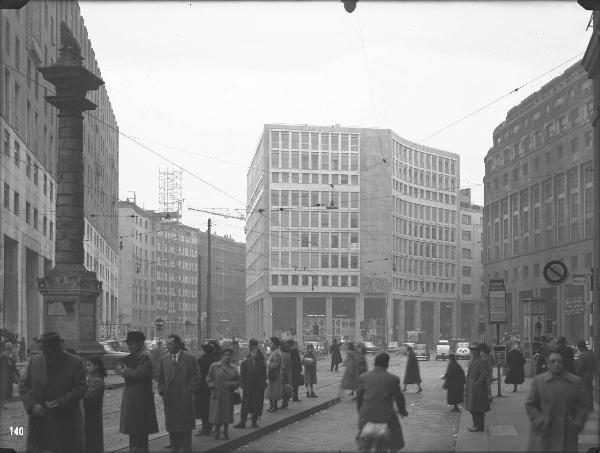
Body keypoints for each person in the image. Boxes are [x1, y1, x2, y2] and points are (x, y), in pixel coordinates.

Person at [18, 332, 87, 453]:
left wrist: (62, 402)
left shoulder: (75, 362)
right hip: (39, 421)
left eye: (52, 352)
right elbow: (23, 385)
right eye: (46, 352)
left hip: (64, 420)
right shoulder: (35, 360)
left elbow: (81, 388)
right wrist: (32, 405)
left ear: (59, 349)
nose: (48, 356)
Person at [525, 348, 590, 452]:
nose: (556, 364)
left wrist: (578, 421)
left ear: (564, 363)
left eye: (559, 361)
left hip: (568, 434)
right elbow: (530, 405)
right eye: (553, 361)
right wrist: (539, 421)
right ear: (548, 364)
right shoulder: (539, 381)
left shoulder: (575, 382)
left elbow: (584, 405)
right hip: (544, 433)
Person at [115, 331, 159, 453]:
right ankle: (135, 449)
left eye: (132, 344)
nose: (129, 346)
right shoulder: (138, 354)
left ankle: (138, 450)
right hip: (135, 396)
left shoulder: (144, 355)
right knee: (134, 428)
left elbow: (142, 373)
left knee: (138, 427)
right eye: (128, 343)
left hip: (139, 397)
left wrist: (123, 371)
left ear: (140, 343)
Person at [356, 352, 408, 453]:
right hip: (386, 417)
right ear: (387, 364)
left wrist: (360, 411)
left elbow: (359, 398)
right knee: (395, 434)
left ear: (374, 363)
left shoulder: (363, 377)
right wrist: (403, 411)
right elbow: (399, 398)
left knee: (362, 437)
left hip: (366, 415)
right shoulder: (393, 379)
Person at [158, 334, 201, 453]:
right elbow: (160, 378)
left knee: (185, 426)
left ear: (177, 344)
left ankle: (186, 447)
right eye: (167, 344)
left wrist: (188, 391)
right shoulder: (164, 360)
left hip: (184, 399)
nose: (168, 346)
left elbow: (196, 377)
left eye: (170, 344)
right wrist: (162, 390)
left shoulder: (189, 359)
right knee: (172, 425)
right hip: (170, 399)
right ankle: (174, 446)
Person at [207, 348, 241, 440]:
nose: (227, 357)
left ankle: (225, 432)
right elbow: (209, 378)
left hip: (228, 394)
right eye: (225, 355)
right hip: (217, 393)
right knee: (216, 413)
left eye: (229, 355)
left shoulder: (233, 368)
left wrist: (232, 384)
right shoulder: (214, 366)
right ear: (222, 356)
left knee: (227, 413)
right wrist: (212, 386)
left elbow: (238, 380)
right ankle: (217, 430)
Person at [234, 346, 267, 429]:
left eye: (256, 352)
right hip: (248, 388)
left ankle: (254, 421)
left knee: (256, 405)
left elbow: (264, 376)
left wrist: (262, 385)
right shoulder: (245, 363)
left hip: (257, 388)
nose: (255, 354)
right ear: (250, 353)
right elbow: (242, 376)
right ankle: (243, 421)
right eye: (253, 352)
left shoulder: (261, 364)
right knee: (245, 405)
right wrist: (243, 384)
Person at [464, 343, 490, 432]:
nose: (472, 352)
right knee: (473, 409)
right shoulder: (473, 360)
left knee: (478, 409)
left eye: (474, 350)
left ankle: (479, 426)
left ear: (478, 351)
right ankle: (476, 425)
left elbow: (485, 374)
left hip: (478, 390)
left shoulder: (482, 360)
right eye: (471, 350)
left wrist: (477, 384)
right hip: (472, 389)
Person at [84, 356, 107, 453]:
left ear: (96, 366)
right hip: (89, 413)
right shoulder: (91, 379)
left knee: (92, 438)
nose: (86, 368)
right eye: (86, 365)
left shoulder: (97, 381)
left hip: (92, 414)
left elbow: (88, 397)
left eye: (89, 365)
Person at [195, 343, 216, 436]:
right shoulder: (215, 360)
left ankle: (205, 428)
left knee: (203, 410)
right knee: (210, 409)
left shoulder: (202, 360)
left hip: (202, 387)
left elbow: (198, 374)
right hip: (212, 387)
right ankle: (209, 427)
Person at [575, 340, 597, 409]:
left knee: (585, 391)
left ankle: (587, 407)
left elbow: (580, 367)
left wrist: (576, 373)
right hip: (591, 375)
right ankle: (591, 406)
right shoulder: (592, 354)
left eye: (578, 348)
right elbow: (595, 364)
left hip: (584, 375)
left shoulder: (582, 355)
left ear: (581, 347)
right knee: (590, 391)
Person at [266, 337, 283, 412]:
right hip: (273, 374)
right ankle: (272, 405)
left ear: (275, 344)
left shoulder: (276, 353)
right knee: (271, 390)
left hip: (274, 374)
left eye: (271, 343)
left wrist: (268, 364)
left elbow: (276, 364)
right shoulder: (274, 352)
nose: (270, 344)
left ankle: (273, 406)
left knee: (273, 390)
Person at [280, 341, 292, 409]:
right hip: (288, 373)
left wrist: (281, 372)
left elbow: (283, 366)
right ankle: (286, 402)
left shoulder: (283, 354)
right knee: (286, 388)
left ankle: (284, 403)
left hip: (284, 374)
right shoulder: (288, 353)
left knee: (283, 389)